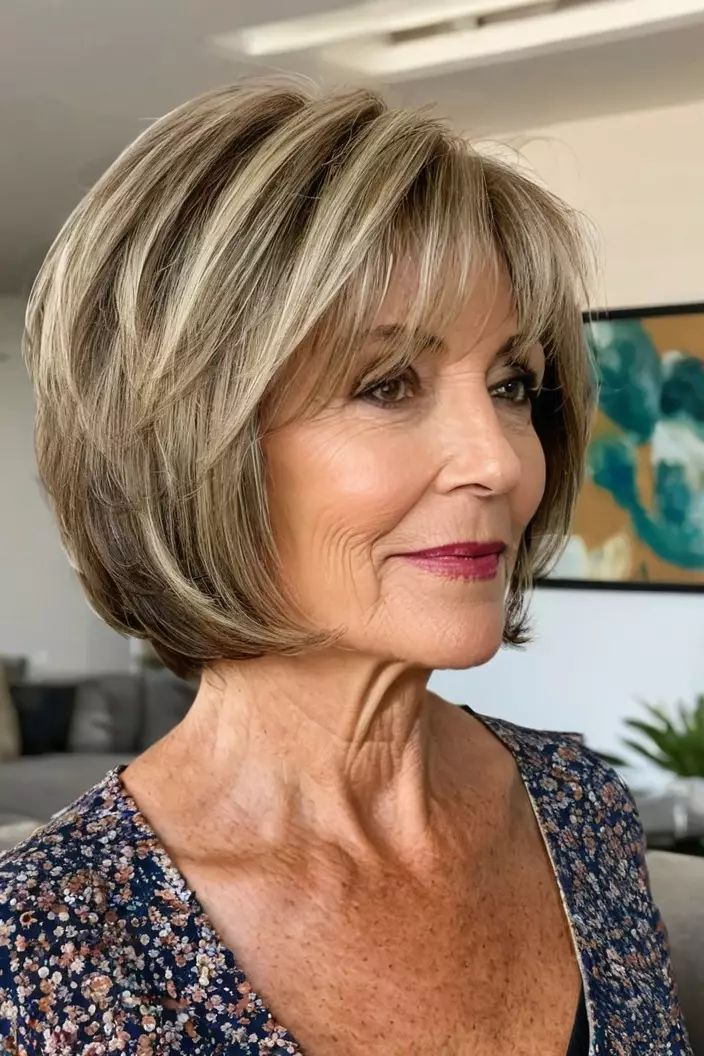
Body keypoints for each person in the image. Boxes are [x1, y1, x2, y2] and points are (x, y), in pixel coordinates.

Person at [0, 80, 691, 1055]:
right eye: (385, 383)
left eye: (510, 384)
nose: (497, 457)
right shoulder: (39, 954)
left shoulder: (575, 806)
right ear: (186, 444)